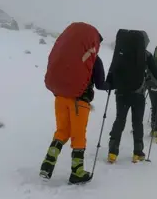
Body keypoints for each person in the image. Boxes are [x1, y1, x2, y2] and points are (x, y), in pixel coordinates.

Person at [39, 22, 107, 185]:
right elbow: (100, 84)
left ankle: (47, 165)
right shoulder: (95, 61)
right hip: (80, 101)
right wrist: (114, 83)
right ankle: (77, 171)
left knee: (62, 131)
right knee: (78, 135)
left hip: (60, 97)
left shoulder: (67, 55)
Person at [107, 30, 157, 163]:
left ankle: (112, 151)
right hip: (138, 94)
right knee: (137, 122)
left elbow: (114, 67)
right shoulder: (146, 55)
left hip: (121, 93)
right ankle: (137, 152)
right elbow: (156, 73)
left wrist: (110, 83)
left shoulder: (122, 52)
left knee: (120, 120)